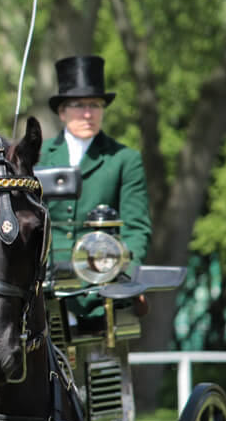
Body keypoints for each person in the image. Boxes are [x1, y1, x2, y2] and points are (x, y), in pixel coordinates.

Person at [37, 54, 151, 319]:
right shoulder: (38, 157)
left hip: (101, 289)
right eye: (78, 105)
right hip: (44, 289)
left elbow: (136, 228)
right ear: (62, 111)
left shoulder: (124, 159)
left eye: (95, 105)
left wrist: (123, 274)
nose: (88, 114)